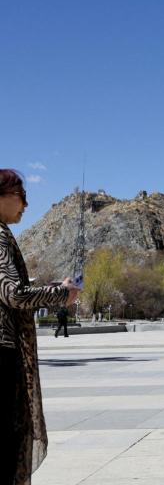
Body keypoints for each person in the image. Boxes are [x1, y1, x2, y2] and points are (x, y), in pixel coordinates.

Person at [0, 169, 79, 484]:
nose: (25, 205)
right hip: (3, 350)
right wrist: (61, 294)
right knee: (8, 440)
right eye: (20, 196)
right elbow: (13, 293)